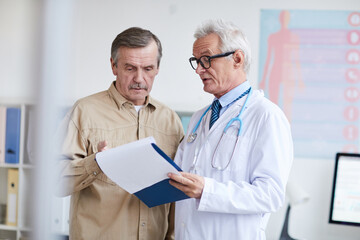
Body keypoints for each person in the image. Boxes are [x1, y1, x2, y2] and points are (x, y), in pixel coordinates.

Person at [168, 19, 293, 240]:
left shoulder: (266, 116)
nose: (198, 70)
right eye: (196, 61)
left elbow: (271, 195)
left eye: (206, 60)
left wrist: (208, 191)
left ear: (237, 58)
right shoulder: (199, 117)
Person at [57, 27, 184, 240]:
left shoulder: (170, 120)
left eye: (148, 68)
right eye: (130, 68)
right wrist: (96, 163)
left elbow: (176, 199)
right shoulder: (84, 111)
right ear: (113, 66)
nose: (139, 78)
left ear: (158, 68)